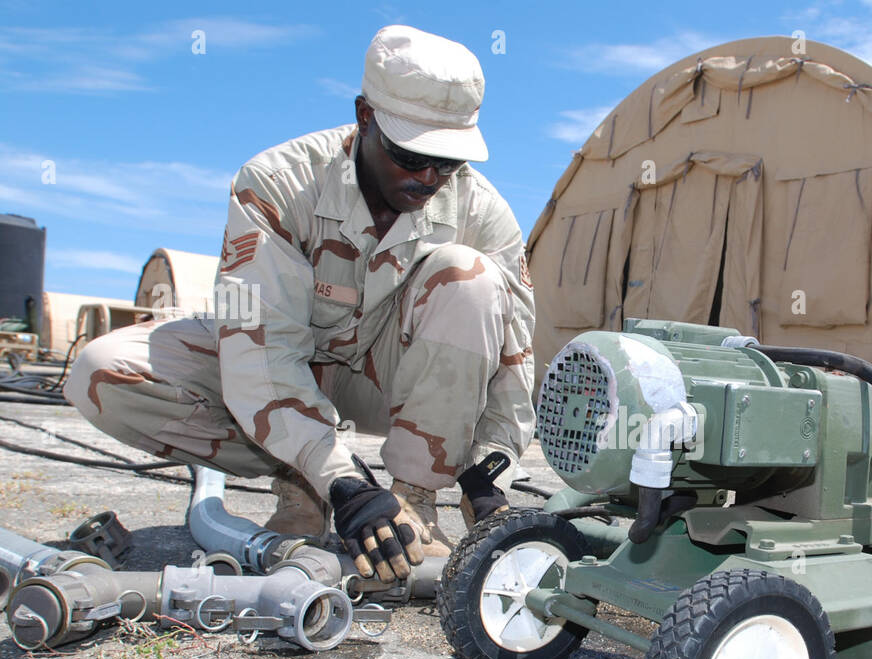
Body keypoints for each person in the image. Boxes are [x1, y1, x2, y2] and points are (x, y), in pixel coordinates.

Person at [67, 25, 534, 583]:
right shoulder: (277, 184)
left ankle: (414, 499)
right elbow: (258, 349)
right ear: (365, 118)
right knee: (101, 373)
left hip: (395, 383)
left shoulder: (484, 213)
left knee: (470, 275)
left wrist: (487, 474)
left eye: (448, 161)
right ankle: (304, 485)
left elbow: (513, 359)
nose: (429, 178)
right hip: (282, 369)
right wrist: (343, 480)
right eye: (411, 155)